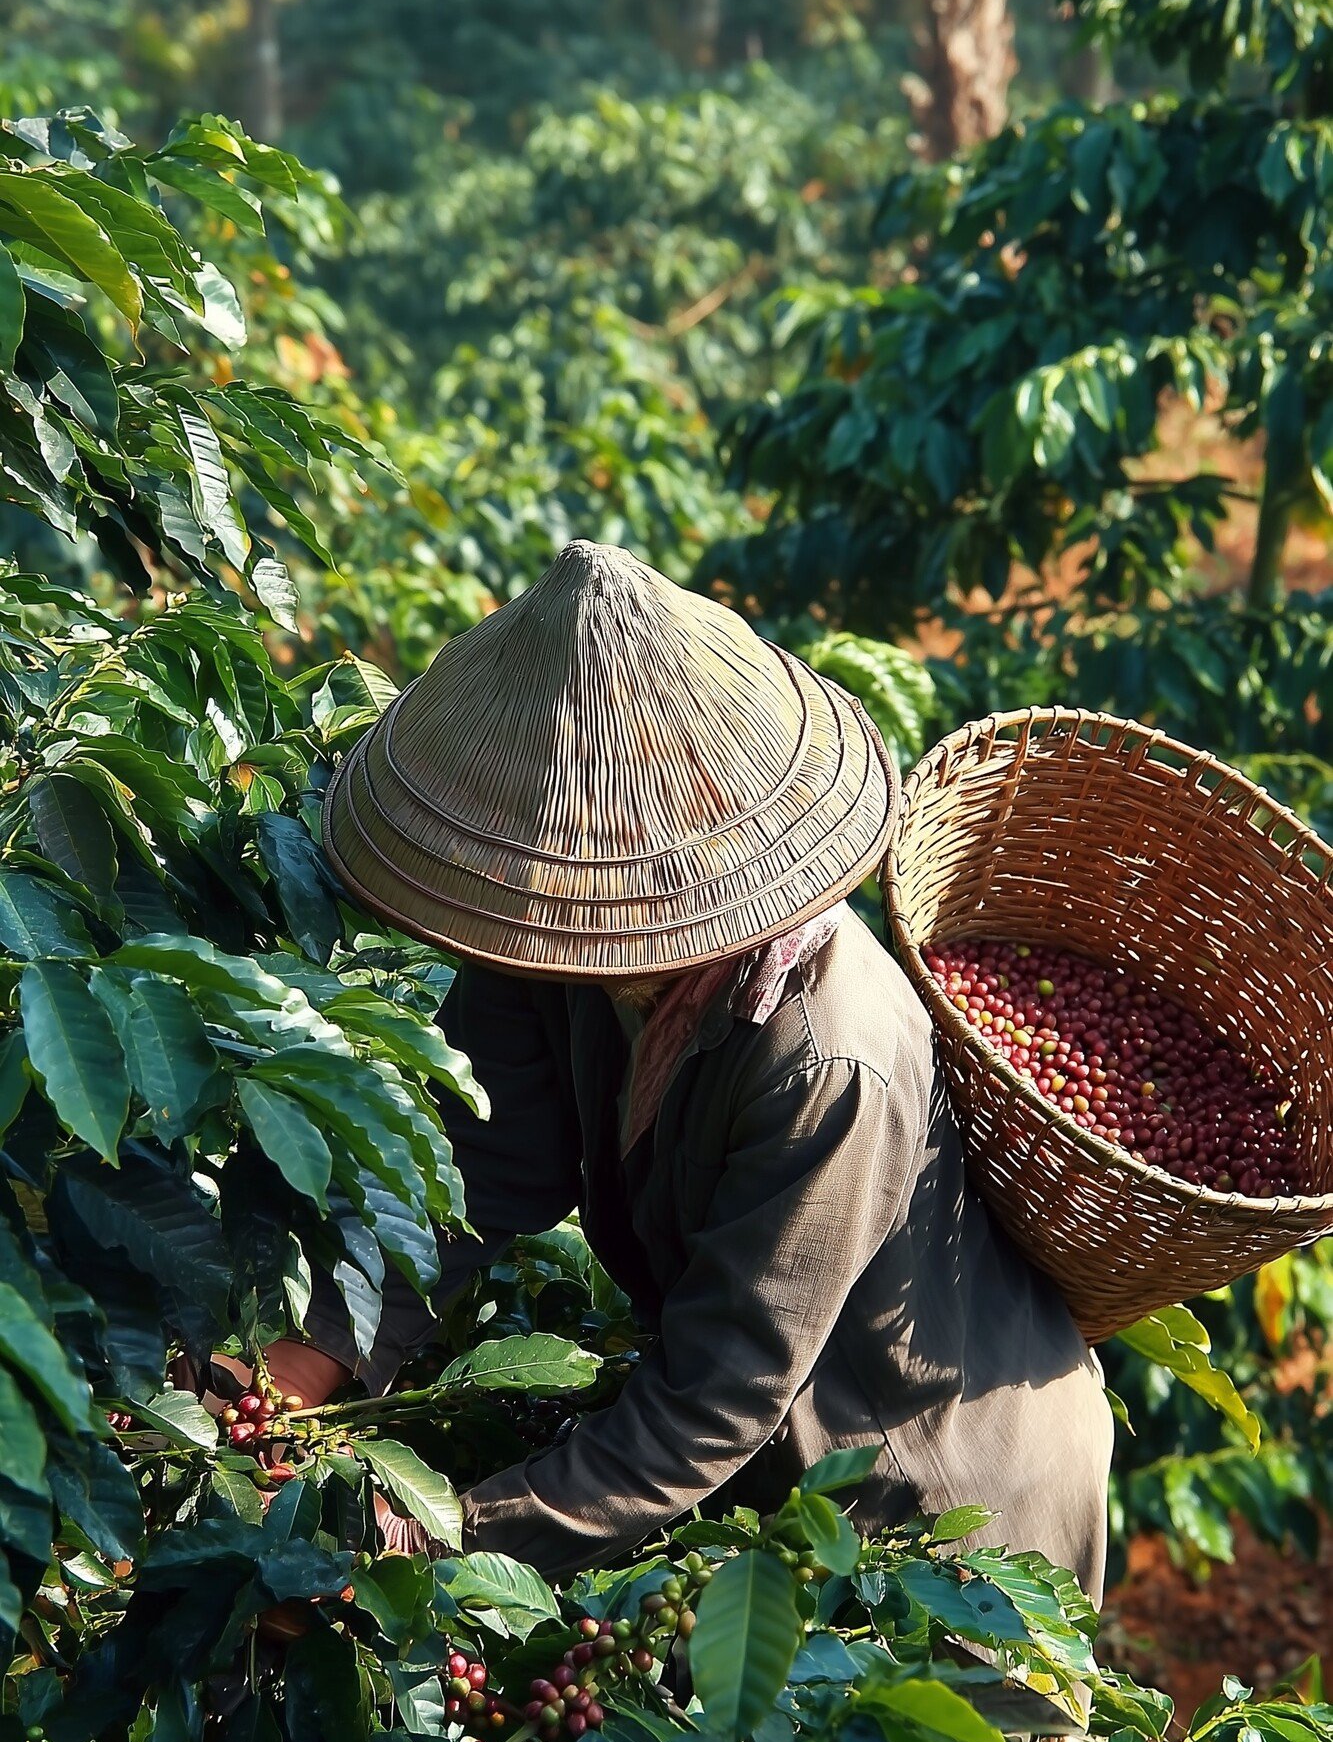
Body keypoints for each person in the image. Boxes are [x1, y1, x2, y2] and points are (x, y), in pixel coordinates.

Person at [265, 541, 1114, 1597]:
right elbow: (465, 1178)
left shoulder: (823, 1056)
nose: (560, 887)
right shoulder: (560, 927)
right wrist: (301, 1365)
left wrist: (426, 1540)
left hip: (940, 1507)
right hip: (764, 1472)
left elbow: (714, 1397)